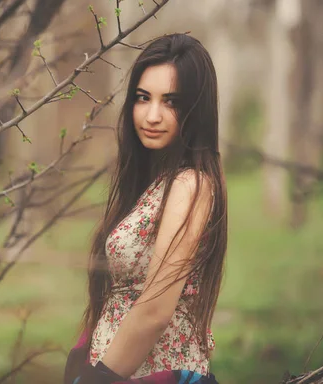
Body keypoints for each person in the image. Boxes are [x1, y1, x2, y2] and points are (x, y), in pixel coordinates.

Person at [64, 33, 227, 384]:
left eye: (171, 102)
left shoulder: (190, 185)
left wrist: (98, 380)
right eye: (143, 98)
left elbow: (155, 310)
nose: (152, 115)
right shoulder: (152, 183)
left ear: (196, 111)